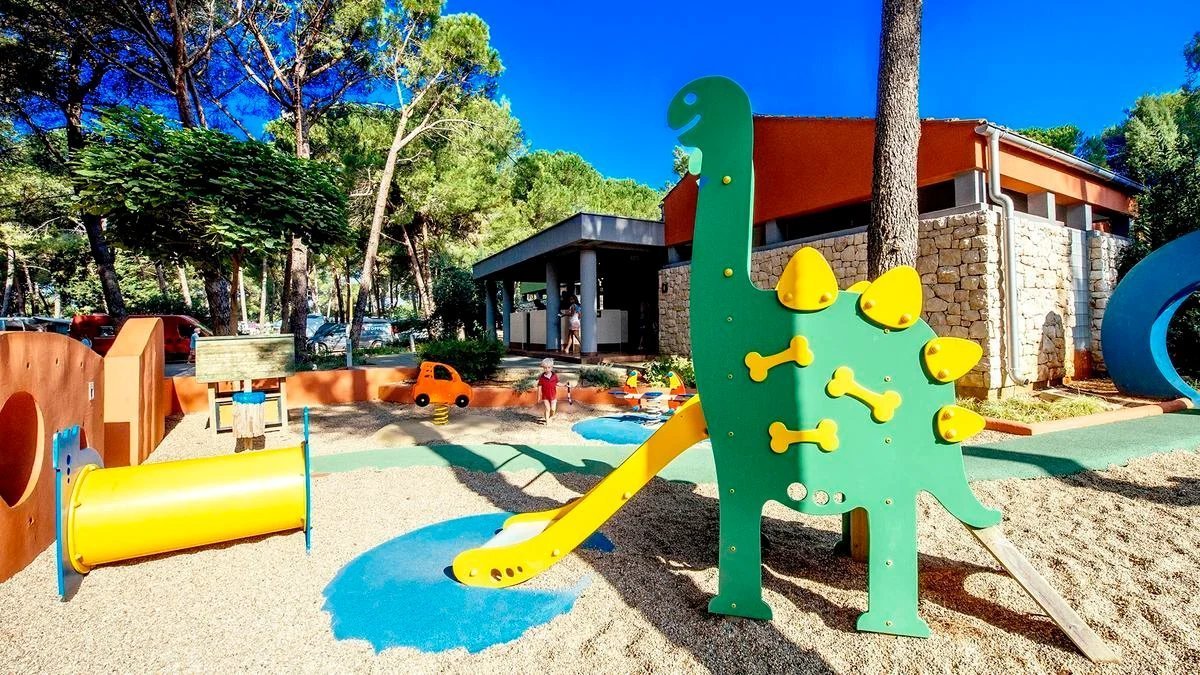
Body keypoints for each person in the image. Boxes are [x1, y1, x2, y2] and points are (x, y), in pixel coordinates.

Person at [536, 357, 559, 424]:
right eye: (545, 368)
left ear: (552, 367)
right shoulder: (542, 377)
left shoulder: (554, 376)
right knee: (547, 409)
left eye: (549, 367)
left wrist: (565, 384)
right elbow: (539, 387)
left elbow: (557, 383)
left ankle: (550, 417)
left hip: (553, 396)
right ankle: (547, 422)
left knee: (553, 410)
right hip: (545, 396)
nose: (547, 369)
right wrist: (539, 397)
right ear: (543, 368)